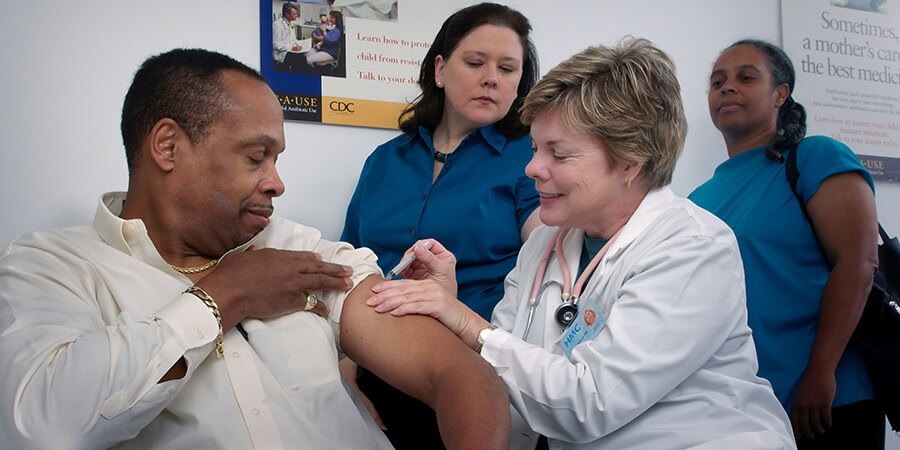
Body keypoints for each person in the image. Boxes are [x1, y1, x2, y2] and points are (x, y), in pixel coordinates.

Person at [0, 48, 512, 449]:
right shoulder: (53, 268)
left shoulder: (299, 250)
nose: (276, 184)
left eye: (277, 158)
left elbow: (459, 375)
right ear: (168, 146)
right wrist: (225, 296)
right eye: (255, 157)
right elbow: (46, 428)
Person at [366, 37, 797, 449]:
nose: (532, 168)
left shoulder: (693, 249)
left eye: (558, 153)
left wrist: (465, 322)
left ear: (631, 160)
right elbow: (503, 376)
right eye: (535, 148)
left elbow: (589, 403)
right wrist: (448, 310)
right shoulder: (545, 246)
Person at [340, 3, 541, 447]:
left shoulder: (533, 158)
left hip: (480, 370)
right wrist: (342, 370)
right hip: (379, 364)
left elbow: (549, 253)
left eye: (508, 69)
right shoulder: (385, 161)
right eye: (475, 62)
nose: (492, 77)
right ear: (440, 68)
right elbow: (347, 269)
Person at [689, 39, 882, 448]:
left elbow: (859, 263)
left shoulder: (815, 157)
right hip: (744, 409)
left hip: (825, 400)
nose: (727, 88)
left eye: (746, 77)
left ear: (781, 93)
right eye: (717, 81)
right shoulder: (697, 200)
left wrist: (820, 372)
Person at [273, 2, 304, 71]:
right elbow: (275, 44)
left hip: (290, 51)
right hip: (281, 54)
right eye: (295, 14)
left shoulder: (290, 24)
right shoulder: (277, 25)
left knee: (303, 56)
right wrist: (291, 48)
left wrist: (300, 45)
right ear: (287, 14)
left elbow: (294, 40)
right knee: (300, 59)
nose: (296, 16)